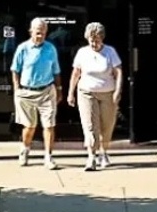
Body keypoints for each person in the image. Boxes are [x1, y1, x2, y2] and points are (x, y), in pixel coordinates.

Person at [67, 22, 123, 171]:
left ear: (102, 38)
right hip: (86, 92)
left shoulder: (110, 52)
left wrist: (118, 91)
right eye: (91, 40)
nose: (94, 44)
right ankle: (91, 156)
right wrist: (70, 93)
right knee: (90, 126)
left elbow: (118, 73)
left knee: (107, 125)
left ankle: (103, 152)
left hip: (108, 93)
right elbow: (76, 73)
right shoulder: (82, 53)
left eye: (97, 40)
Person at [10, 17, 65, 169]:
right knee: (30, 126)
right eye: (38, 33)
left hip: (47, 91)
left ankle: (48, 157)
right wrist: (16, 89)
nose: (40, 36)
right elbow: (15, 69)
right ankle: (25, 149)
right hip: (27, 92)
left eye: (43, 33)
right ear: (31, 31)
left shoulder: (50, 48)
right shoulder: (23, 48)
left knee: (49, 125)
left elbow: (56, 71)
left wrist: (59, 89)